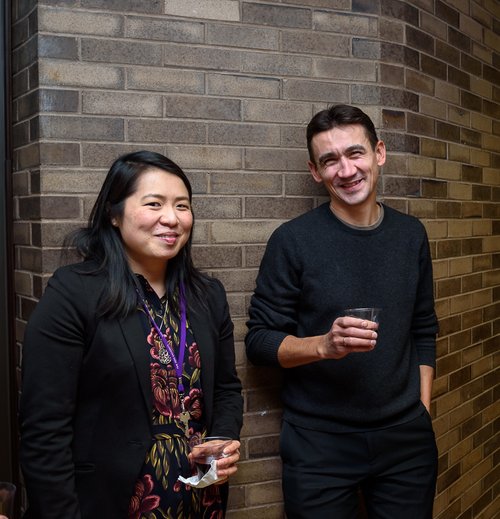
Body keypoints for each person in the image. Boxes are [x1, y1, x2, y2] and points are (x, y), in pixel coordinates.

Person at [20, 150, 243, 518]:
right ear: (113, 213)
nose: (171, 218)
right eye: (154, 204)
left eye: (182, 206)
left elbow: (225, 389)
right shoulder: (74, 293)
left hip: (199, 499)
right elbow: (45, 430)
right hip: (111, 502)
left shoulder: (207, 295)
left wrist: (221, 437)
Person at [245, 104, 438, 518]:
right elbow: (259, 342)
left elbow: (423, 327)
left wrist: (421, 407)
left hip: (405, 440)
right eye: (330, 160)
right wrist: (323, 346)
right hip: (320, 444)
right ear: (315, 171)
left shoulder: (411, 235)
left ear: (379, 153)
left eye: (355, 153)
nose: (346, 170)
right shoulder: (292, 241)